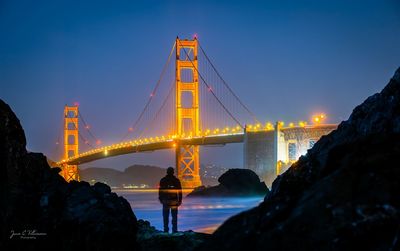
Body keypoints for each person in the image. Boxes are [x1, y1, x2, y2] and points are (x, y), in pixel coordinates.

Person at [158, 167, 182, 233]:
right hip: (174, 200)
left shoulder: (163, 180)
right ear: (173, 172)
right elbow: (180, 191)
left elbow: (160, 190)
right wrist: (180, 200)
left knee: (165, 217)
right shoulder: (176, 180)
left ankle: (166, 230)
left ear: (167, 172)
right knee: (174, 217)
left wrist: (160, 199)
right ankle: (175, 230)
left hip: (165, 200)